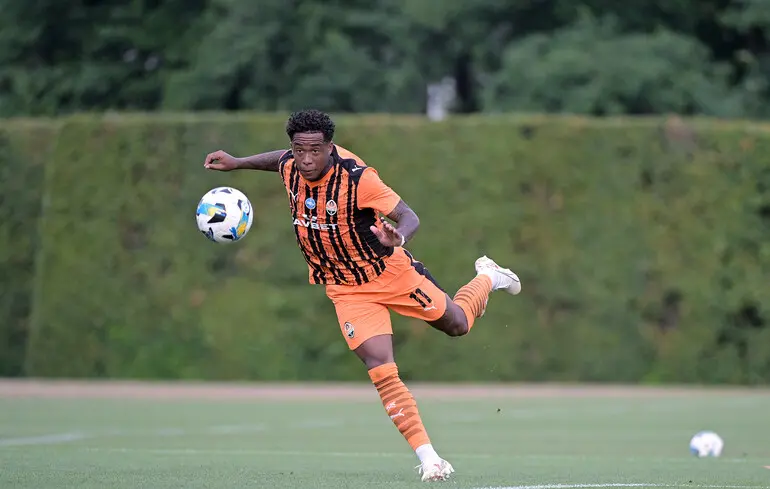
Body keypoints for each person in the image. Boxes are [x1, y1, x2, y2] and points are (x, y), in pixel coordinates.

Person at [204, 109, 521, 482]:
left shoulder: (358, 178)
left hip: (390, 272)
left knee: (458, 324)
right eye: (299, 150)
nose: (306, 160)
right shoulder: (291, 163)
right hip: (346, 289)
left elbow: (409, 216)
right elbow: (279, 159)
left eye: (315, 151)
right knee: (381, 367)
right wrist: (238, 162)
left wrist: (398, 238)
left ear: (330, 147)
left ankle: (488, 276)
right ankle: (430, 459)